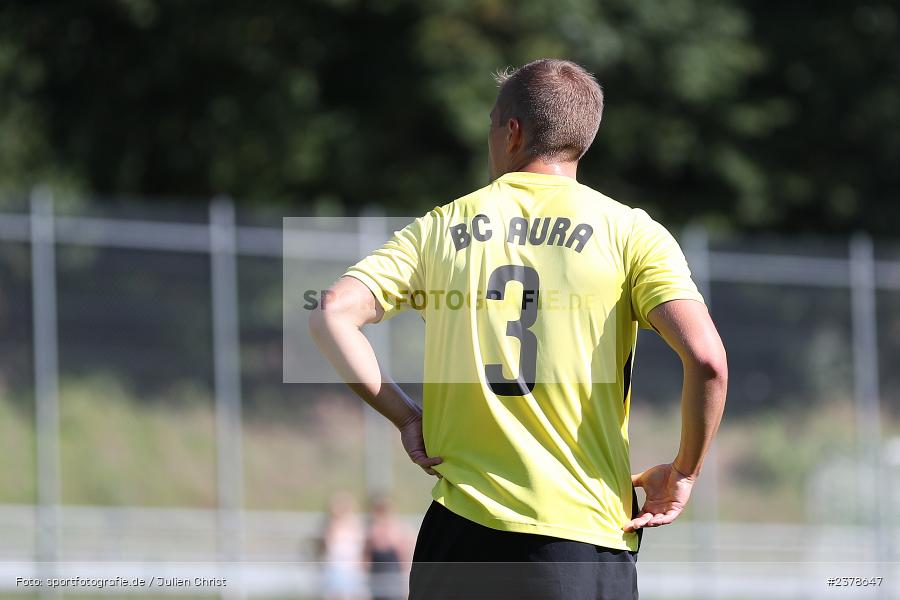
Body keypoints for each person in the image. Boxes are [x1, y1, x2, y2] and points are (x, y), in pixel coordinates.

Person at [309, 58, 728, 600]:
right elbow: (707, 360)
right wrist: (685, 471)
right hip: (580, 539)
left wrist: (406, 416)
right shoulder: (632, 233)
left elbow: (331, 315)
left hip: (459, 537)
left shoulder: (442, 227)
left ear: (512, 132)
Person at [318, 492, 369, 600]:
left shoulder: (356, 524)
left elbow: (362, 549)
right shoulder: (331, 525)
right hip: (337, 568)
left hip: (353, 569)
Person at [364, 496, 414, 600]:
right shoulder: (372, 531)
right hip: (377, 577)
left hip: (393, 576)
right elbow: (366, 557)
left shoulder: (398, 529)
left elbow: (404, 556)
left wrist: (405, 579)